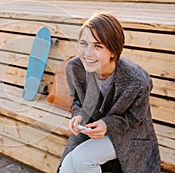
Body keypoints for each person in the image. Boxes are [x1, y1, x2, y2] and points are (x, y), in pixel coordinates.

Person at [58, 12, 161, 173]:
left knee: (82, 158)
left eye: (98, 46)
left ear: (113, 51)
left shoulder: (137, 81)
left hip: (131, 134)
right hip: (94, 127)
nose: (87, 53)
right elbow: (78, 100)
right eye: (83, 43)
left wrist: (107, 125)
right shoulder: (75, 67)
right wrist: (78, 115)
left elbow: (134, 119)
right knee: (67, 165)